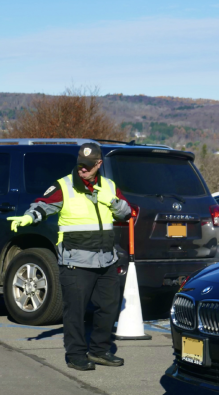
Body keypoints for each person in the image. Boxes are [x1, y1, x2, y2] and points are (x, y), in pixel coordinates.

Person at [7, 142, 131, 371]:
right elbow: (44, 205)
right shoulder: (64, 186)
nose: (83, 169)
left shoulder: (109, 186)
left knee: (109, 307)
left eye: (88, 165)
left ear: (98, 164)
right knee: (75, 310)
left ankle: (100, 351)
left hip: (106, 258)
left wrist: (110, 200)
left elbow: (126, 212)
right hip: (76, 260)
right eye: (80, 164)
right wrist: (29, 217)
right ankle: (75, 354)